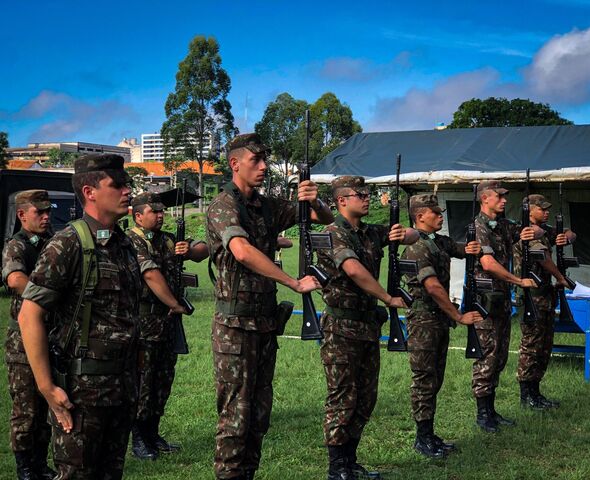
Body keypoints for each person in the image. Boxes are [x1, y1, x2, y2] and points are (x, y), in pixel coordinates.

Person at [207, 133, 334, 480]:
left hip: (264, 324)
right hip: (235, 327)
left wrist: (314, 199)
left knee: (259, 415)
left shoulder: (266, 206)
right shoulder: (223, 205)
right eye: (256, 161)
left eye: (265, 160)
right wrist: (292, 282)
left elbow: (320, 218)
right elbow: (241, 251)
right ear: (235, 164)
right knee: (236, 415)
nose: (264, 167)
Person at [18, 154, 141, 479]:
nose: (127, 191)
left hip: (121, 389)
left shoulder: (123, 244)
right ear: (89, 192)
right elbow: (29, 316)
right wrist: (46, 387)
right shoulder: (68, 244)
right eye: (117, 185)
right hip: (82, 396)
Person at [316, 175, 418, 480]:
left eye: (367, 193)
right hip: (341, 326)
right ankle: (337, 467)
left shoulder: (371, 233)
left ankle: (350, 460)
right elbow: (353, 269)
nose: (366, 197)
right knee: (342, 395)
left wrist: (405, 233)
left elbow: (412, 236)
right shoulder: (332, 233)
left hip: (367, 325)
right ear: (341, 200)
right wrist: (387, 297)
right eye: (359, 194)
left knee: (366, 396)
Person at [127, 192, 209, 460]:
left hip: (166, 322)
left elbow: (202, 251)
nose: (160, 216)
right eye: (154, 212)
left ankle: (153, 433)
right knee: (143, 381)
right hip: (144, 321)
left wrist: (191, 249)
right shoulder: (131, 241)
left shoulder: (167, 239)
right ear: (138, 216)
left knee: (163, 379)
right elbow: (150, 274)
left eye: (162, 212)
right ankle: (139, 438)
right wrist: (174, 304)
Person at [401, 194, 483, 458]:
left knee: (435, 377)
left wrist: (471, 247)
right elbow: (433, 286)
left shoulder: (436, 241)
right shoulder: (416, 247)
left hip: (437, 320)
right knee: (424, 378)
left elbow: (458, 248)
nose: (440, 216)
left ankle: (429, 433)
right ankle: (422, 438)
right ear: (419, 216)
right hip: (423, 319)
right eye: (434, 212)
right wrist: (458, 315)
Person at [472, 180, 541, 433]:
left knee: (499, 356)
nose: (504, 201)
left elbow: (530, 231)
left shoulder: (501, 225)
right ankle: (482, 414)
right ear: (485, 198)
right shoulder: (478, 227)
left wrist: (530, 232)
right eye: (499, 197)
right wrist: (517, 280)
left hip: (500, 301)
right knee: (487, 357)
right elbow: (488, 263)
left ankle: (491, 410)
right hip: (485, 302)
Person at [2, 190, 56, 479]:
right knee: (26, 411)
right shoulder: (17, 245)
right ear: (23, 215)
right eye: (40, 212)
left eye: (48, 211)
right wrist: (49, 298)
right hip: (23, 344)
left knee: (47, 406)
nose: (46, 216)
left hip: (52, 337)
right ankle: (25, 468)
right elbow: (15, 279)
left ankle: (40, 464)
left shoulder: (53, 242)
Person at [513, 194, 576, 409]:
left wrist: (565, 236)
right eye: (542, 209)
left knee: (544, 346)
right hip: (532, 296)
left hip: (545, 296)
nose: (546, 212)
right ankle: (526, 394)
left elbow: (571, 233)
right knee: (531, 346)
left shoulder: (544, 229)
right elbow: (543, 256)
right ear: (530, 211)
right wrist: (560, 277)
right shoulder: (526, 232)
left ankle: (535, 392)